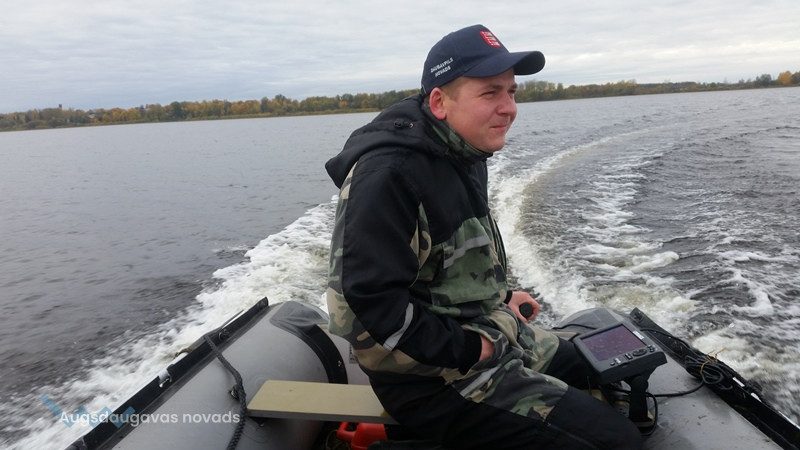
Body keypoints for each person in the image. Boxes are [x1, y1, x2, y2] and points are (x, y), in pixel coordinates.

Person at [325, 24, 643, 449]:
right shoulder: (390, 176)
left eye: (511, 92)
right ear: (439, 102)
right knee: (617, 442)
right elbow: (365, 309)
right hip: (431, 378)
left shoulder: (465, 150)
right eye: (490, 93)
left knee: (594, 365)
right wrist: (472, 349)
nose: (508, 108)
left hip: (485, 330)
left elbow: (451, 257)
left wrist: (500, 296)